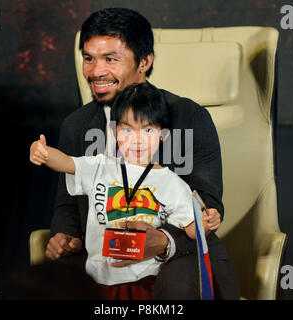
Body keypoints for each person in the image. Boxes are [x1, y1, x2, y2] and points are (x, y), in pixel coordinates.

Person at [47, 7, 240, 299]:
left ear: (144, 62)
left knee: (176, 284)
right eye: (88, 58)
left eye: (110, 59)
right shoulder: (76, 126)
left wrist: (162, 241)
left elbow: (208, 205)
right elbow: (67, 206)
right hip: (106, 255)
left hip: (180, 257)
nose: (96, 71)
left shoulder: (189, 116)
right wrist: (65, 237)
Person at [30, 82, 219, 298]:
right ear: (113, 132)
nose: (137, 140)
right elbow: (66, 163)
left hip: (146, 280)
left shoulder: (174, 184)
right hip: (96, 278)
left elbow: (191, 229)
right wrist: (42, 152)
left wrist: (206, 223)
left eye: (147, 130)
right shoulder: (100, 166)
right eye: (127, 129)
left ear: (163, 135)